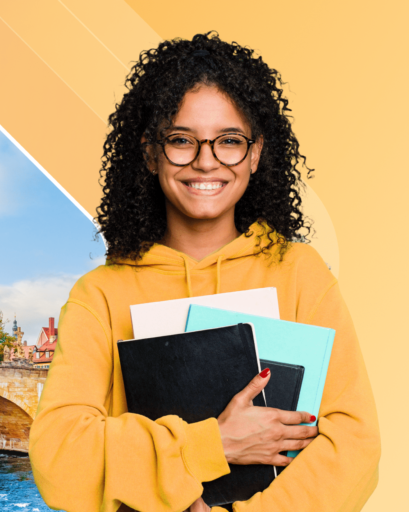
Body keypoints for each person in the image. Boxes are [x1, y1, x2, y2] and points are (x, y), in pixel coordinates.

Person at [29, 32, 380, 512]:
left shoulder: (302, 275)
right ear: (150, 152)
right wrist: (213, 443)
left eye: (229, 141)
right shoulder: (100, 295)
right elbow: (60, 460)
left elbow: (355, 448)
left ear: (255, 154)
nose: (205, 161)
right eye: (181, 140)